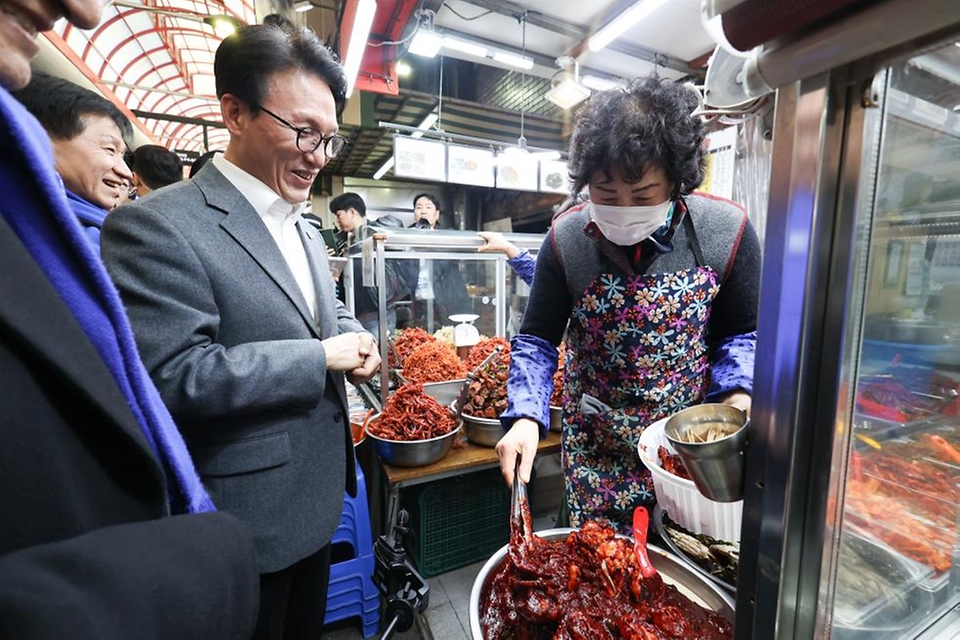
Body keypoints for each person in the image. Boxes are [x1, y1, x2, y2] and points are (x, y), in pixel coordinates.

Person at [100, 24, 380, 640]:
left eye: (328, 139)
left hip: (314, 501)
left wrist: (357, 339)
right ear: (234, 112)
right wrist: (317, 358)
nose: (317, 155)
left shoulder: (305, 228)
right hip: (243, 522)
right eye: (302, 131)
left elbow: (326, 315)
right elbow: (170, 376)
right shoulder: (159, 227)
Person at [0, 0, 259, 636]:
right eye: (107, 149)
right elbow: (177, 369)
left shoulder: (65, 237)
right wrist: (209, 557)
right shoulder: (147, 230)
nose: (84, 11)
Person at [496, 76, 761, 535]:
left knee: (684, 569)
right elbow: (538, 340)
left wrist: (736, 396)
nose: (624, 209)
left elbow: (741, 333)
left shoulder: (726, 232)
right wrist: (524, 416)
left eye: (642, 197)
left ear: (678, 182)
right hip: (598, 448)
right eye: (605, 194)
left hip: (688, 448)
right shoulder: (565, 240)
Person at [12, 72, 134, 250]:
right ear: (38, 138)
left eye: (122, 155)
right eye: (109, 149)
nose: (126, 172)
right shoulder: (98, 247)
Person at [409, 192, 471, 328]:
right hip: (417, 301)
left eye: (428, 207)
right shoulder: (405, 238)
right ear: (414, 214)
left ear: (436, 215)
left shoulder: (447, 236)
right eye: (418, 207)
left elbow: (460, 251)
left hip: (444, 300)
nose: (423, 211)